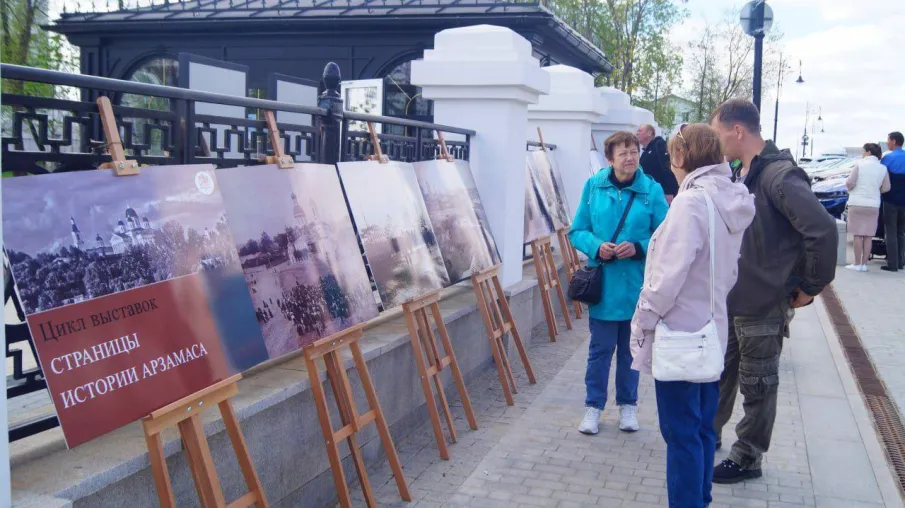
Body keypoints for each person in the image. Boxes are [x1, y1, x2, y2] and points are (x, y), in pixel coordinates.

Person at [709, 99, 837, 483]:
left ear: (738, 131)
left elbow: (823, 230)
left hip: (763, 301)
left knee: (758, 383)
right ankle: (708, 433)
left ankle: (748, 457)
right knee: (721, 373)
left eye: (718, 134)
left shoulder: (778, 175)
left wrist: (809, 285)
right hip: (736, 298)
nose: (717, 143)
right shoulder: (745, 171)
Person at [631, 123, 754, 507]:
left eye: (670, 156)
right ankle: (700, 499)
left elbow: (669, 274)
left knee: (682, 433)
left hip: (682, 333)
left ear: (682, 157)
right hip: (711, 330)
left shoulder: (691, 201)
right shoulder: (727, 195)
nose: (670, 163)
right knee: (700, 428)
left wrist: (644, 319)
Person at [569, 131, 669, 435]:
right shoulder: (593, 187)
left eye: (634, 151)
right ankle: (593, 407)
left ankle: (628, 406)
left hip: (638, 285)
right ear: (610, 158)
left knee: (631, 351)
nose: (630, 157)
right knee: (600, 350)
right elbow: (577, 231)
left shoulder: (651, 190)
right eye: (623, 152)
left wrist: (638, 246)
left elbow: (666, 234)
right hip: (604, 285)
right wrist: (597, 246)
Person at [845, 143, 890, 272]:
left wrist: (850, 189)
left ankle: (857, 263)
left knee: (858, 234)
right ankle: (864, 264)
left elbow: (850, 182)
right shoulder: (883, 168)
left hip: (857, 203)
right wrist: (875, 191)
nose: (862, 153)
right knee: (868, 235)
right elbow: (887, 187)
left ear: (869, 152)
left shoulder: (859, 165)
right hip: (873, 204)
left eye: (863, 151)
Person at [881, 131, 905, 272]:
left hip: (890, 199)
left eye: (888, 140)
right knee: (901, 232)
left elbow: (882, 178)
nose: (888, 142)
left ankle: (892, 264)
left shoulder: (888, 158)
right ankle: (901, 261)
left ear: (894, 141)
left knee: (890, 231)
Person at [638, 124, 679, 204]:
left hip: (663, 195)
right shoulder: (646, 152)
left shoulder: (660, 145)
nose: (637, 133)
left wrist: (668, 191)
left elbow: (668, 168)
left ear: (649, 133)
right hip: (650, 194)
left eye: (640, 131)